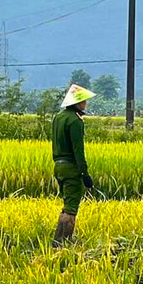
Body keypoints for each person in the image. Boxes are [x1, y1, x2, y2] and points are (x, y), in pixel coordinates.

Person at [51, 83, 96, 245]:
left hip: (59, 166)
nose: (85, 103)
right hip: (71, 168)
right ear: (77, 103)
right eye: (83, 100)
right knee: (71, 207)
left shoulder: (59, 117)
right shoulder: (76, 121)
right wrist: (85, 174)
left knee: (66, 204)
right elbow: (78, 151)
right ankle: (63, 242)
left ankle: (58, 241)